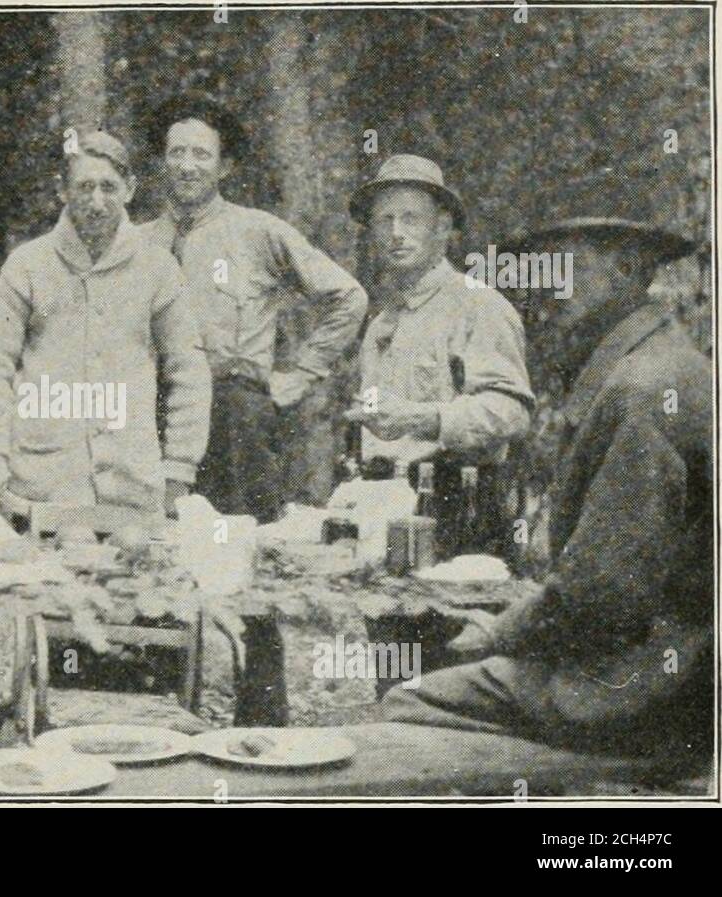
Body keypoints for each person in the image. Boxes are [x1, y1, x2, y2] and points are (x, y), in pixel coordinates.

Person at [383, 176, 712, 765]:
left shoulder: (643, 389)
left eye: (565, 268)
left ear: (628, 269)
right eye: (540, 269)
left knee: (406, 703)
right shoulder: (659, 361)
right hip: (653, 665)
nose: (546, 288)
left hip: (638, 689)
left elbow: (604, 589)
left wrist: (494, 635)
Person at [0, 130, 211, 521]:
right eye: (84, 187)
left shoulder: (158, 269)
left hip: (130, 494)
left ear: (129, 189)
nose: (96, 202)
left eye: (108, 188)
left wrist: (179, 467)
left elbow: (189, 371)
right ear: (63, 190)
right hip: (41, 491)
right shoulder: (27, 266)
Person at [139, 91, 367, 522]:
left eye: (202, 155)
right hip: (152, 418)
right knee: (150, 550)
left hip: (234, 422)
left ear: (225, 166)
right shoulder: (135, 244)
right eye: (177, 153)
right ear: (162, 161)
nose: (188, 166)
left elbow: (349, 297)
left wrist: (300, 375)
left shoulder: (258, 232)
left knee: (241, 549)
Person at [344, 154, 533, 557]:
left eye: (411, 219)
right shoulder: (381, 323)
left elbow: (512, 411)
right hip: (386, 504)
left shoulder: (477, 306)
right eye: (384, 220)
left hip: (459, 503)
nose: (396, 233)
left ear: (442, 228)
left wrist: (422, 418)